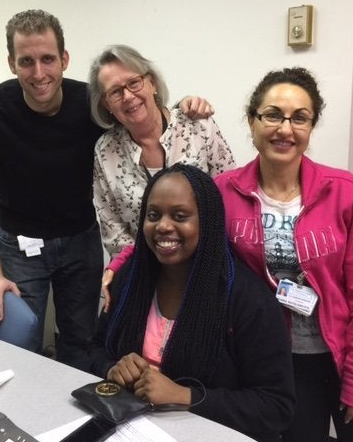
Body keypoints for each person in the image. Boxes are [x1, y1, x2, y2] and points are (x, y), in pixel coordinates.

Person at [0, 9, 212, 369]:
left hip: (81, 242)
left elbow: (139, 115)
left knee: (81, 341)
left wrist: (186, 107)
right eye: (26, 61)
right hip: (19, 244)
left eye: (48, 59)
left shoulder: (92, 106)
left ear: (64, 59)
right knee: (18, 342)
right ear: (12, 64)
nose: (39, 73)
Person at [214, 67, 353, 442]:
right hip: (281, 361)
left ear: (311, 127)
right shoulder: (223, 192)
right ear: (252, 120)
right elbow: (172, 228)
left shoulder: (347, 193)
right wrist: (118, 264)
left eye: (300, 118)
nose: (285, 129)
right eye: (273, 114)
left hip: (346, 353)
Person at [87, 164, 295, 442]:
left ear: (207, 221)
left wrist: (186, 396)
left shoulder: (247, 300)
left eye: (180, 216)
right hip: (131, 430)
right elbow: (94, 349)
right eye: (153, 215)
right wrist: (111, 369)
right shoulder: (131, 280)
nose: (163, 226)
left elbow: (275, 406)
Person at [88, 45, 235, 310]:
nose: (128, 96)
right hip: (144, 273)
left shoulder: (198, 126)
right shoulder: (104, 150)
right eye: (115, 92)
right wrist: (144, 269)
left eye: (134, 83)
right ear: (106, 104)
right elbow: (112, 227)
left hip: (208, 267)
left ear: (151, 83)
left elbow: (229, 193)